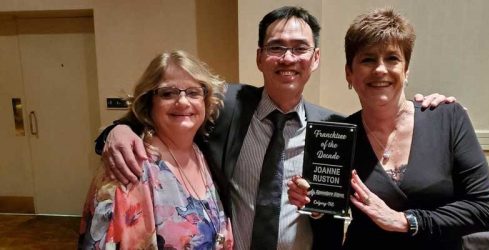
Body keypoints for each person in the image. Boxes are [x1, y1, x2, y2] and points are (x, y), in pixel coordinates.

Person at [95, 6, 454, 250]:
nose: (287, 59)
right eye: (276, 47)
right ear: (259, 56)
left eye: (300, 49)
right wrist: (117, 130)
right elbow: (164, 109)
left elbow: (352, 195)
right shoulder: (226, 105)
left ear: (315, 59)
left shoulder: (336, 128)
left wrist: (427, 109)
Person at [288, 8, 489, 249]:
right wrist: (314, 206)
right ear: (349, 73)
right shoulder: (338, 135)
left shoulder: (448, 118)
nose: (380, 69)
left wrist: (405, 221)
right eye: (368, 59)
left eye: (392, 58)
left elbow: (484, 210)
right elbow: (329, 230)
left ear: (406, 70)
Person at [79, 50, 233, 249]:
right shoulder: (129, 166)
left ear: (206, 100)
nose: (183, 102)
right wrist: (117, 129)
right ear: (149, 102)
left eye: (194, 92)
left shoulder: (201, 153)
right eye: (168, 93)